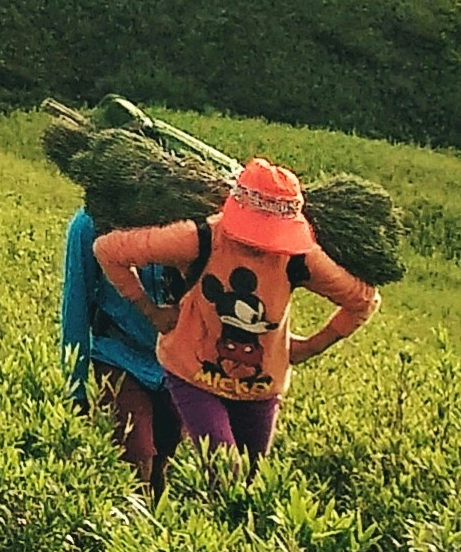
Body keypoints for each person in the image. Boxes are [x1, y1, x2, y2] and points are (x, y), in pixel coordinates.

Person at [96, 158, 375, 470]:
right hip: (193, 373)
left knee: (253, 478)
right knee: (226, 471)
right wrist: (149, 310)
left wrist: (311, 346)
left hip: (261, 387)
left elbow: (362, 300)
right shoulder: (200, 239)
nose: (260, 245)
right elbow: (109, 251)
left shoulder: (298, 258)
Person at [61, 192, 182, 491]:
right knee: (134, 460)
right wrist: (75, 388)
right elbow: (76, 305)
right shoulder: (90, 225)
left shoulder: (186, 222)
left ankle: (153, 532)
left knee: (161, 462)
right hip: (119, 354)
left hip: (175, 363)